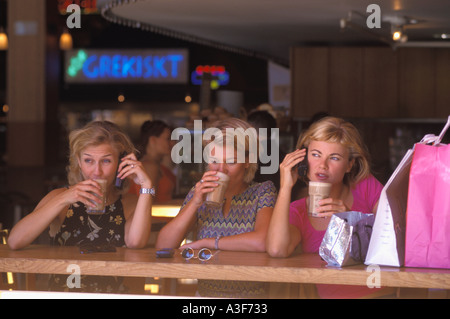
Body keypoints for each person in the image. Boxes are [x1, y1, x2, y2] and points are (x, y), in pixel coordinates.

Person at [7, 121, 154, 292]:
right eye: (88, 160)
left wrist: (146, 185)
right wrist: (64, 198)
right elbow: (15, 241)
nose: (96, 171)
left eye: (106, 161)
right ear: (79, 161)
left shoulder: (130, 204)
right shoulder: (59, 199)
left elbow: (136, 242)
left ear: (121, 163)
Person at [266, 116, 387, 298]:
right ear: (304, 159)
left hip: (382, 293)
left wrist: (352, 220)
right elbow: (277, 250)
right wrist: (285, 187)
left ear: (349, 165)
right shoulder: (297, 211)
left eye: (335, 158)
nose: (322, 165)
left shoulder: (365, 186)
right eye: (315, 155)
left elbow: (393, 237)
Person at [156, 118, 277, 297]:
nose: (221, 170)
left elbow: (262, 241)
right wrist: (195, 202)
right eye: (214, 160)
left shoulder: (263, 192)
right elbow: (163, 246)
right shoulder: (199, 193)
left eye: (231, 162)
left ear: (247, 161)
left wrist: (207, 243)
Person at [130, 120, 175, 203]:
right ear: (153, 140)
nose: (172, 143)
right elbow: (149, 203)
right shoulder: (150, 166)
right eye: (168, 139)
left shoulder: (155, 165)